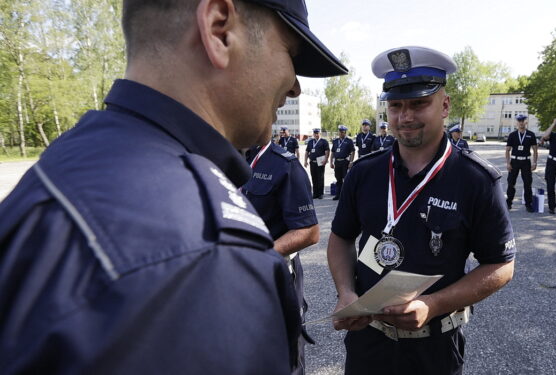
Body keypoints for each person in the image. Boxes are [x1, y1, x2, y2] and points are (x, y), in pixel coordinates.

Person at [0, 0, 347, 373]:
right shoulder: (206, 253)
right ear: (219, 29)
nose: (295, 86)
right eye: (291, 54)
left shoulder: (71, 160)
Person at [327, 46, 516, 375]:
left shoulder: (476, 180)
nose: (405, 117)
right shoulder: (364, 172)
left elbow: (500, 265)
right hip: (367, 345)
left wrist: (433, 305)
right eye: (396, 106)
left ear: (444, 105)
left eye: (418, 104)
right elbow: (340, 238)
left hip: (434, 349)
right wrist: (346, 292)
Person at [242, 140, 320, 375]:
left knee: (286, 357)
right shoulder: (216, 156)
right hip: (227, 278)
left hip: (271, 275)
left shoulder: (285, 165)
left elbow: (309, 231)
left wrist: (256, 257)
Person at [505, 114, 538, 212]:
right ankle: (509, 203)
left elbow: (535, 150)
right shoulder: (512, 135)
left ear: (526, 122)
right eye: (519, 121)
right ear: (517, 122)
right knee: (511, 183)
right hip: (514, 161)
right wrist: (508, 163)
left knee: (527, 184)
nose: (521, 123)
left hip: (526, 162)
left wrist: (534, 162)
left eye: (523, 121)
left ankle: (528, 204)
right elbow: (507, 150)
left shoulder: (531, 134)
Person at [330, 124, 355, 200]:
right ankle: (338, 195)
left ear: (345, 132)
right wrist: (331, 162)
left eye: (343, 132)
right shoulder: (335, 141)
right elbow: (333, 152)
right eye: (340, 132)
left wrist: (351, 162)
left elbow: (353, 151)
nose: (341, 133)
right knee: (338, 179)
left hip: (345, 162)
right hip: (337, 162)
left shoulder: (349, 141)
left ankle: (346, 195)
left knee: (346, 179)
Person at [304, 128, 329, 199]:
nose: (316, 134)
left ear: (320, 134)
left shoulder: (324, 141)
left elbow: (327, 151)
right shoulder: (310, 142)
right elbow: (307, 152)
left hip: (320, 162)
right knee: (314, 178)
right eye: (315, 133)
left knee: (320, 178)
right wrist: (305, 161)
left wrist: (325, 159)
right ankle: (315, 193)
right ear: (313, 134)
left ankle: (320, 193)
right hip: (312, 162)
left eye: (317, 133)